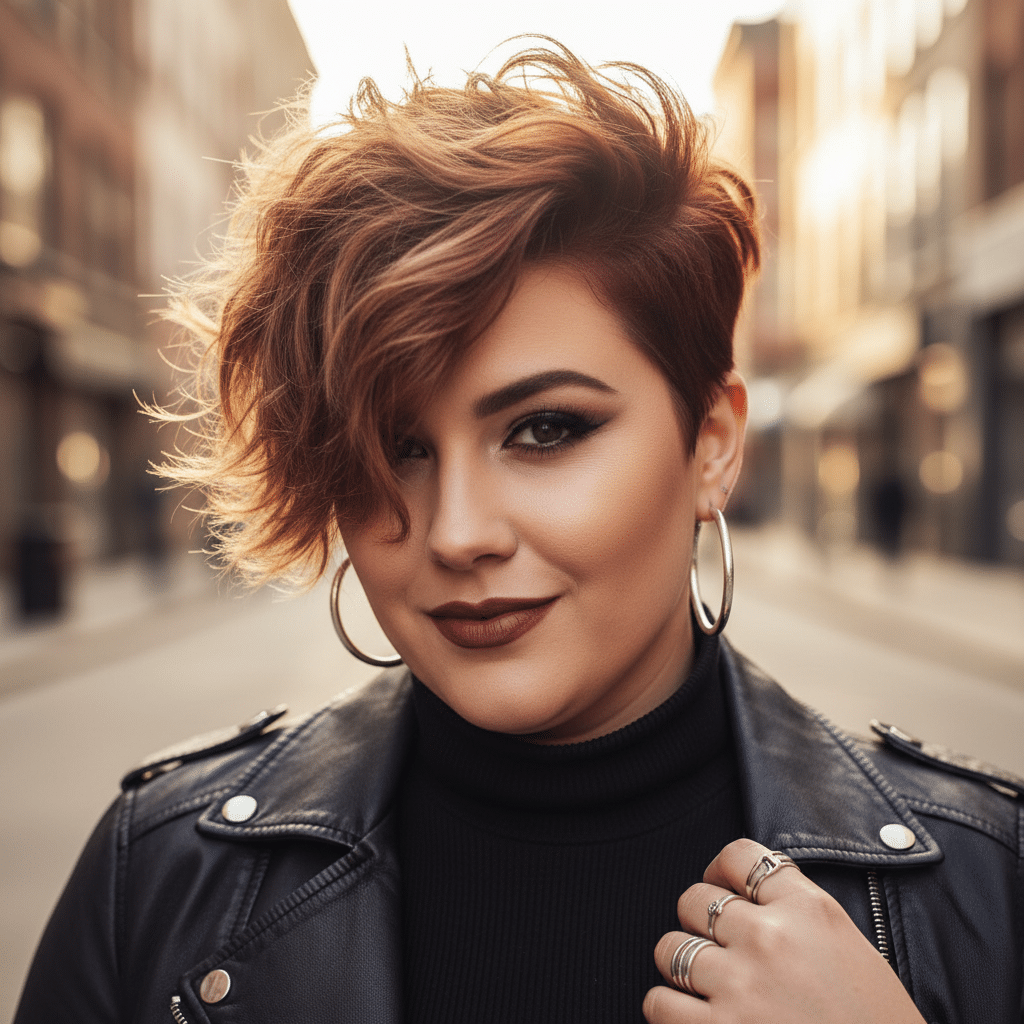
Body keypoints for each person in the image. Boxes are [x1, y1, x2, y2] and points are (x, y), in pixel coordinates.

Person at [13, 42, 1023, 1024]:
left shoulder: (987, 883)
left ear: (710, 445)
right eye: (393, 446)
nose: (456, 532)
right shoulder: (158, 873)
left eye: (545, 430)